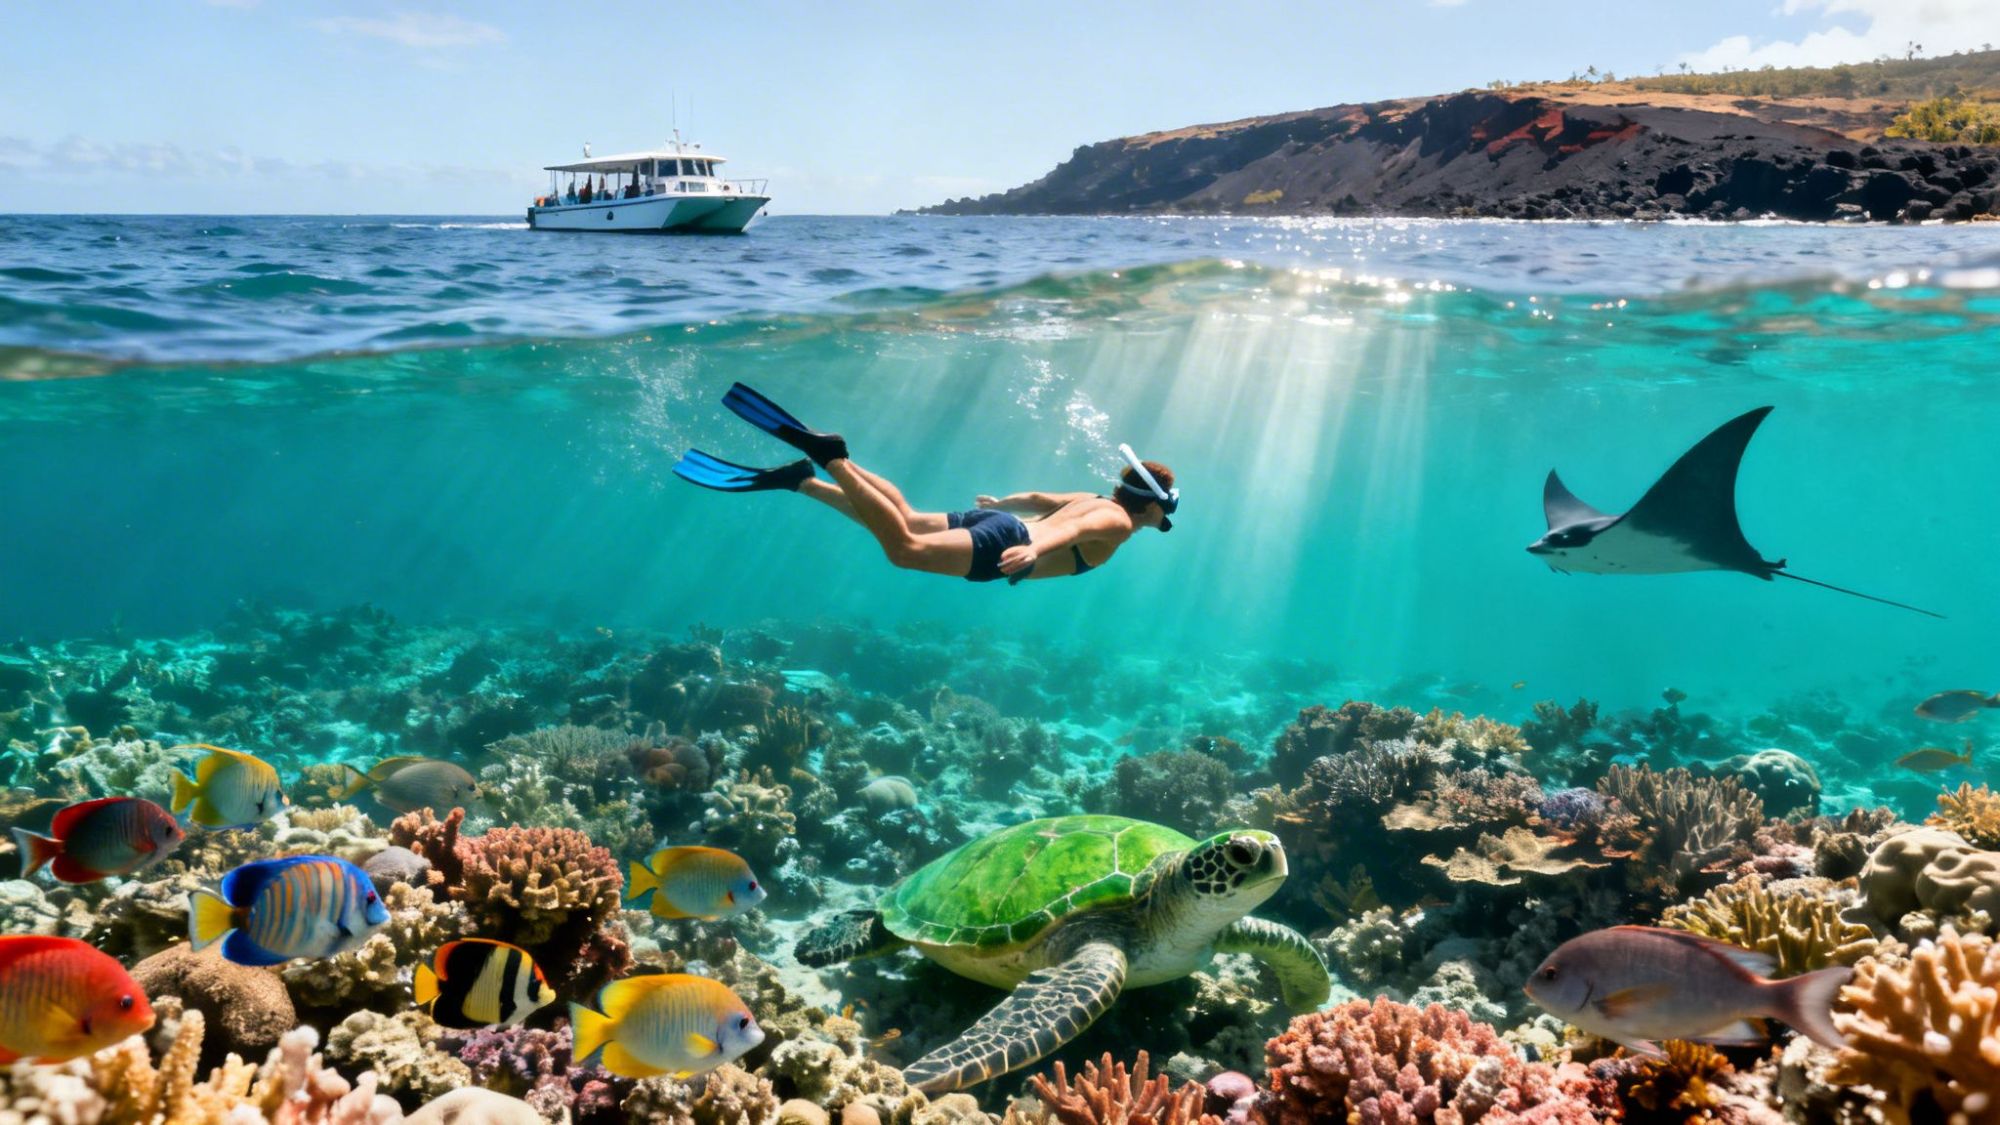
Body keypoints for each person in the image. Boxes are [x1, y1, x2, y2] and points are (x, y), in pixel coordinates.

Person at [672, 384, 1178, 584]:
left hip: (1001, 525)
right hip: (1011, 544)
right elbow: (1071, 531)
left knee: (906, 515)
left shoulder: (1094, 496)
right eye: (1166, 512)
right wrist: (1033, 549)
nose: (1165, 520)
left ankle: (804, 480)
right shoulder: (1117, 520)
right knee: (905, 549)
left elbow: (1045, 501)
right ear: (1150, 507)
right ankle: (832, 460)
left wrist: (1005, 502)